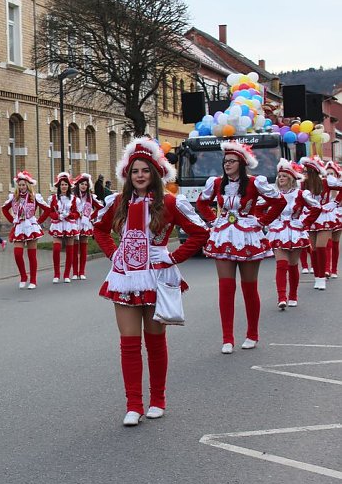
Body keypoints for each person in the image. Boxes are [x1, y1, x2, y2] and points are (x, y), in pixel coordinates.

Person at [93, 139, 209, 426]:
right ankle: (133, 405)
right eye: (135, 171)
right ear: (127, 175)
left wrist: (172, 258)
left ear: (155, 174)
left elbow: (199, 232)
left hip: (155, 275)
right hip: (125, 277)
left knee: (155, 342)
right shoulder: (118, 202)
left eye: (145, 170)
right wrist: (113, 254)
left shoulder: (169, 202)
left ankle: (158, 399)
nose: (140, 176)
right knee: (129, 344)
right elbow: (99, 229)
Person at [195, 141, 286, 353]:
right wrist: (212, 220)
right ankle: (227, 338)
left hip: (248, 237)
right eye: (225, 161)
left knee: (249, 287)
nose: (227, 164)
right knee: (226, 288)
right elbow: (201, 203)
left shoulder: (255, 183)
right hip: (223, 235)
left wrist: (261, 221)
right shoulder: (217, 183)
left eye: (232, 161)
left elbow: (279, 202)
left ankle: (252, 334)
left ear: (241, 163)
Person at [260, 159, 320, 309]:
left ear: (291, 178)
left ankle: (293, 295)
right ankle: (281, 297)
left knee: (293, 266)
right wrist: (267, 222)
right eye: (279, 176)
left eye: (284, 176)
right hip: (278, 232)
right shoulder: (273, 195)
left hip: (295, 231)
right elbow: (257, 208)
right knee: (281, 265)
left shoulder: (300, 194)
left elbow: (316, 207)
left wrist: (303, 222)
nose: (281, 178)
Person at [2, 171, 50, 289]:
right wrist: (12, 220)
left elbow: (47, 210)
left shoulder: (34, 197)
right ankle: (23, 276)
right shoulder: (14, 197)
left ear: (28, 185)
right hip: (19, 226)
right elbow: (4, 209)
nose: (22, 187)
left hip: (31, 226)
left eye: (24, 185)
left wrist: (38, 222)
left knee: (31, 255)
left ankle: (33, 279)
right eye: (20, 184)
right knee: (17, 254)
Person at [300, 156, 342, 290]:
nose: (304, 174)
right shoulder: (303, 184)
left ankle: (322, 277)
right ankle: (317, 276)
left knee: (320, 247)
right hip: (310, 215)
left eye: (306, 171)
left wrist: (335, 203)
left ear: (313, 172)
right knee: (313, 249)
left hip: (324, 216)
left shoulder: (326, 182)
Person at [48, 172, 79, 283]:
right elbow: (50, 212)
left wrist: (69, 215)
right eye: (62, 184)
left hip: (69, 225)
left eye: (66, 184)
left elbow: (77, 213)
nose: (64, 186)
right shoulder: (53, 198)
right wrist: (57, 216)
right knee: (56, 249)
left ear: (69, 186)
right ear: (58, 186)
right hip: (58, 224)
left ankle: (66, 274)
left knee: (69, 250)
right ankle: (56, 274)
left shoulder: (74, 199)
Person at [72, 172, 103, 280]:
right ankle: (75, 272)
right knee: (75, 249)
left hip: (85, 224)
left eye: (85, 184)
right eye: (81, 184)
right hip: (75, 224)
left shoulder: (91, 197)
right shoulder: (73, 197)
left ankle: (82, 271)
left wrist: (91, 216)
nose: (83, 186)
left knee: (83, 248)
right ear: (78, 185)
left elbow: (100, 207)